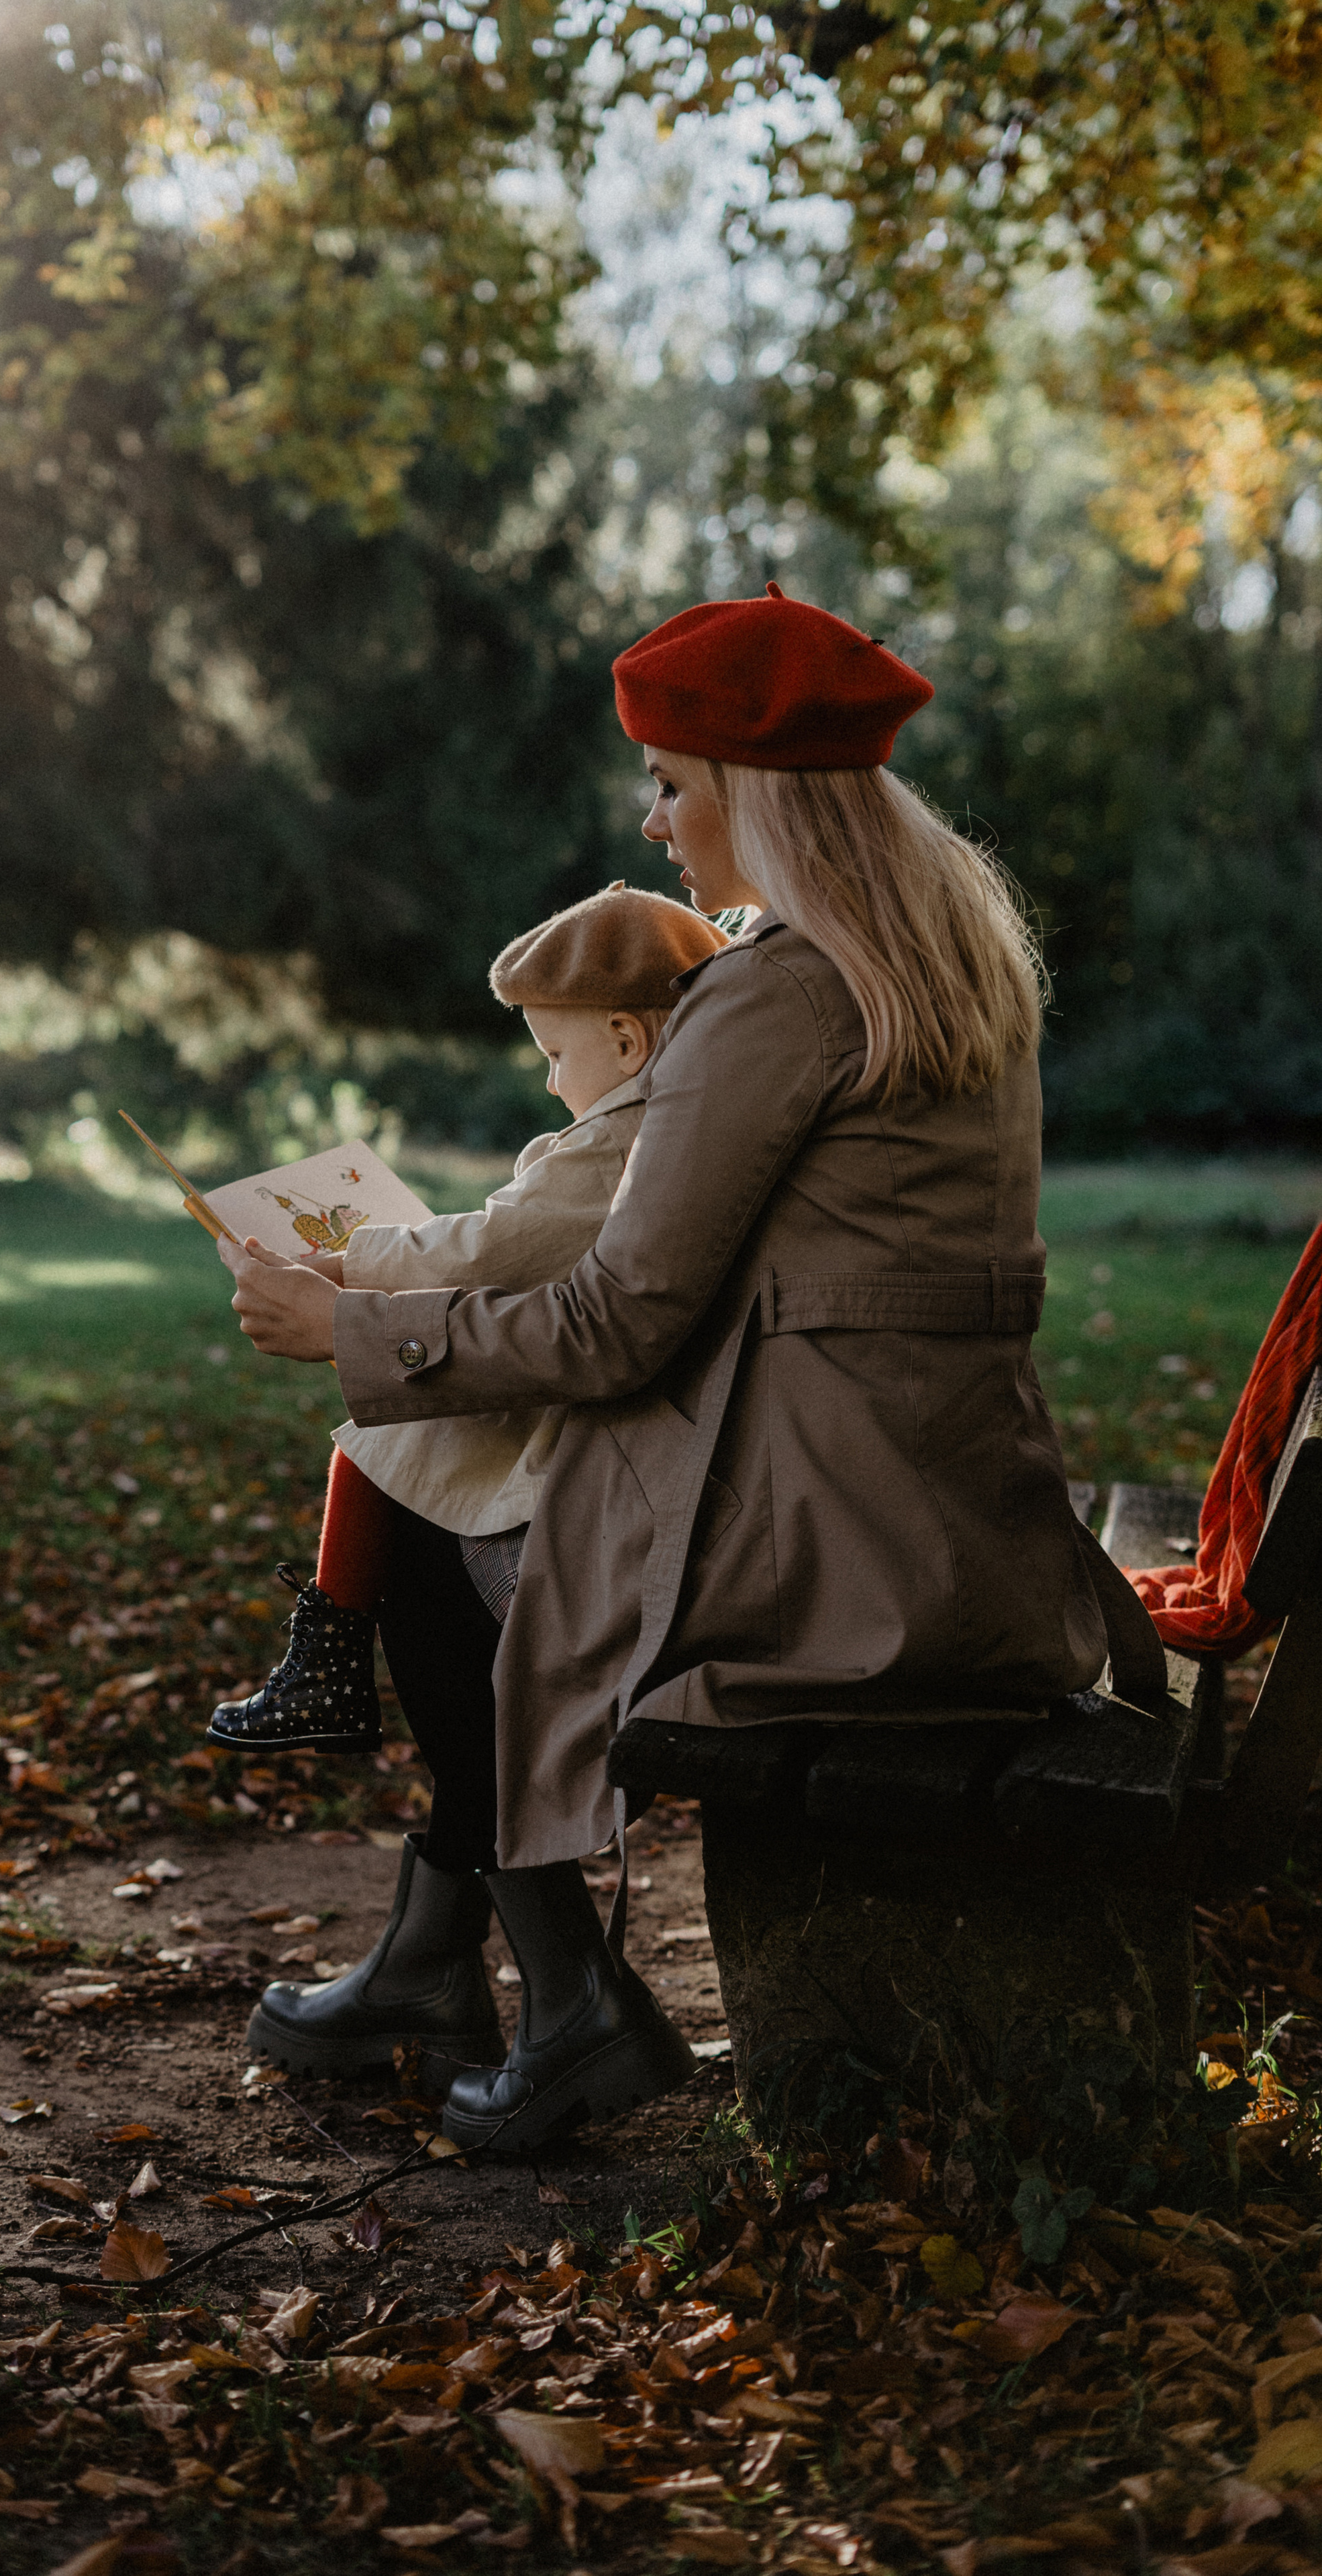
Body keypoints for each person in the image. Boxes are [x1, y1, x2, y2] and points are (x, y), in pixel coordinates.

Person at [223, 583, 1122, 2154]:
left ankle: (556, 2000)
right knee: (461, 1507)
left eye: (671, 784)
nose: (652, 824)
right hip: (951, 1513)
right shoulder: (949, 956)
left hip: (843, 1559)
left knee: (438, 1548)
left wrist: (352, 1335)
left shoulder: (774, 994)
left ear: (757, 795)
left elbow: (616, 1325)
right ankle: (444, 1969)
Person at [209, 881, 727, 1765]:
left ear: (627, 1041)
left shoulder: (617, 1146)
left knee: (393, 1411)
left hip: (597, 1447)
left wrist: (348, 1270)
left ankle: (333, 1646)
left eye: (556, 1055)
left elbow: (490, 1251)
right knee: (401, 1393)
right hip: (608, 1408)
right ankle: (339, 1655)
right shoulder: (660, 1131)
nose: (552, 1077)